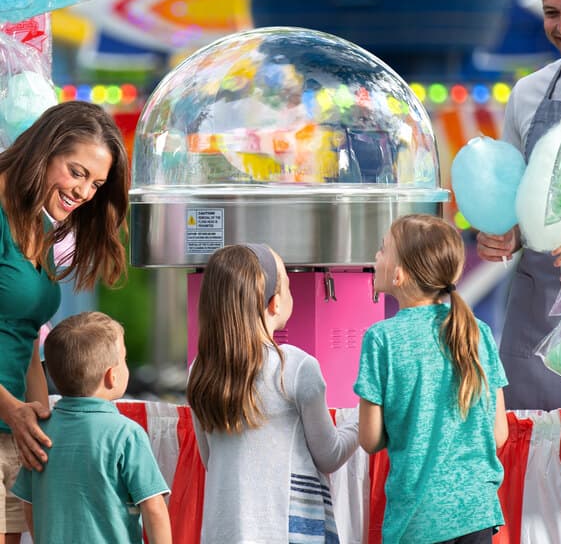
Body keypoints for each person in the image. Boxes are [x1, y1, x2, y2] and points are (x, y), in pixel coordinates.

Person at [476, 0, 561, 411]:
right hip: (535, 310)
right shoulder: (528, 94)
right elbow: (510, 199)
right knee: (532, 453)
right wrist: (503, 232)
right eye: (551, 13)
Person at [0, 100, 129, 542]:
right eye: (77, 172)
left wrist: (44, 429)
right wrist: (13, 411)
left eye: (96, 183)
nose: (84, 193)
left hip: (12, 430)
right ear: (43, 152)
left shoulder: (41, 227)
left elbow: (28, 343)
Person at [187, 243, 359, 543]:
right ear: (275, 303)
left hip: (223, 532)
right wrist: (364, 414)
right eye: (288, 285)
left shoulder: (199, 370)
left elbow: (210, 459)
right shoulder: (295, 366)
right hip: (286, 532)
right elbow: (329, 455)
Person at [355, 214, 508, 544]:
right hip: (477, 512)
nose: (376, 257)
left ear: (400, 274)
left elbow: (369, 440)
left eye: (383, 250)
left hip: (419, 518)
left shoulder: (381, 338)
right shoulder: (478, 333)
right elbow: (498, 434)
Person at [11, 312, 172, 544]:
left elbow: (30, 502)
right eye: (124, 359)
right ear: (111, 376)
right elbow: (153, 507)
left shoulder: (40, 432)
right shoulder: (126, 434)